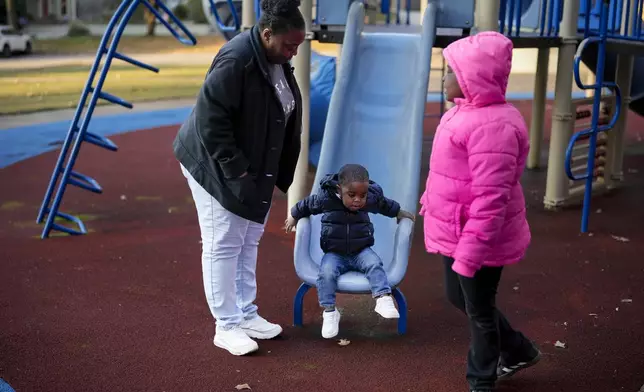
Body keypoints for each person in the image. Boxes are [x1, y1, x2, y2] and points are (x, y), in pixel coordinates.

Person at [172, 0, 306, 356]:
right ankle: (226, 325)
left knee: (248, 238)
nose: (293, 52)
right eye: (289, 45)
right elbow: (210, 119)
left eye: (298, 46)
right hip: (213, 163)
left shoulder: (275, 59)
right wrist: (238, 170)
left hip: (250, 164)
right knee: (224, 241)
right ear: (266, 35)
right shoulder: (236, 61)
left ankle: (245, 313)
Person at [418, 32, 541, 391]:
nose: (443, 78)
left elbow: (491, 201)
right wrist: (431, 201)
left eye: (450, 71)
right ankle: (518, 349)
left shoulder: (494, 126)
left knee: (479, 310)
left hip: (480, 237)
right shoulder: (463, 112)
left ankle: (481, 380)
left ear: (474, 77)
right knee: (459, 297)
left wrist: (471, 254)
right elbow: (448, 172)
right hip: (457, 230)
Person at [284, 164, 416, 338]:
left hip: (361, 251)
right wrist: (293, 216)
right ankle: (330, 312)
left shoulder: (370, 200)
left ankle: (383, 297)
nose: (358, 200)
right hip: (334, 253)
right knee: (326, 273)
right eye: (352, 195)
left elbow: (384, 205)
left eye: (363, 195)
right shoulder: (327, 199)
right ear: (340, 189)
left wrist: (399, 212)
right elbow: (306, 205)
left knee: (374, 264)